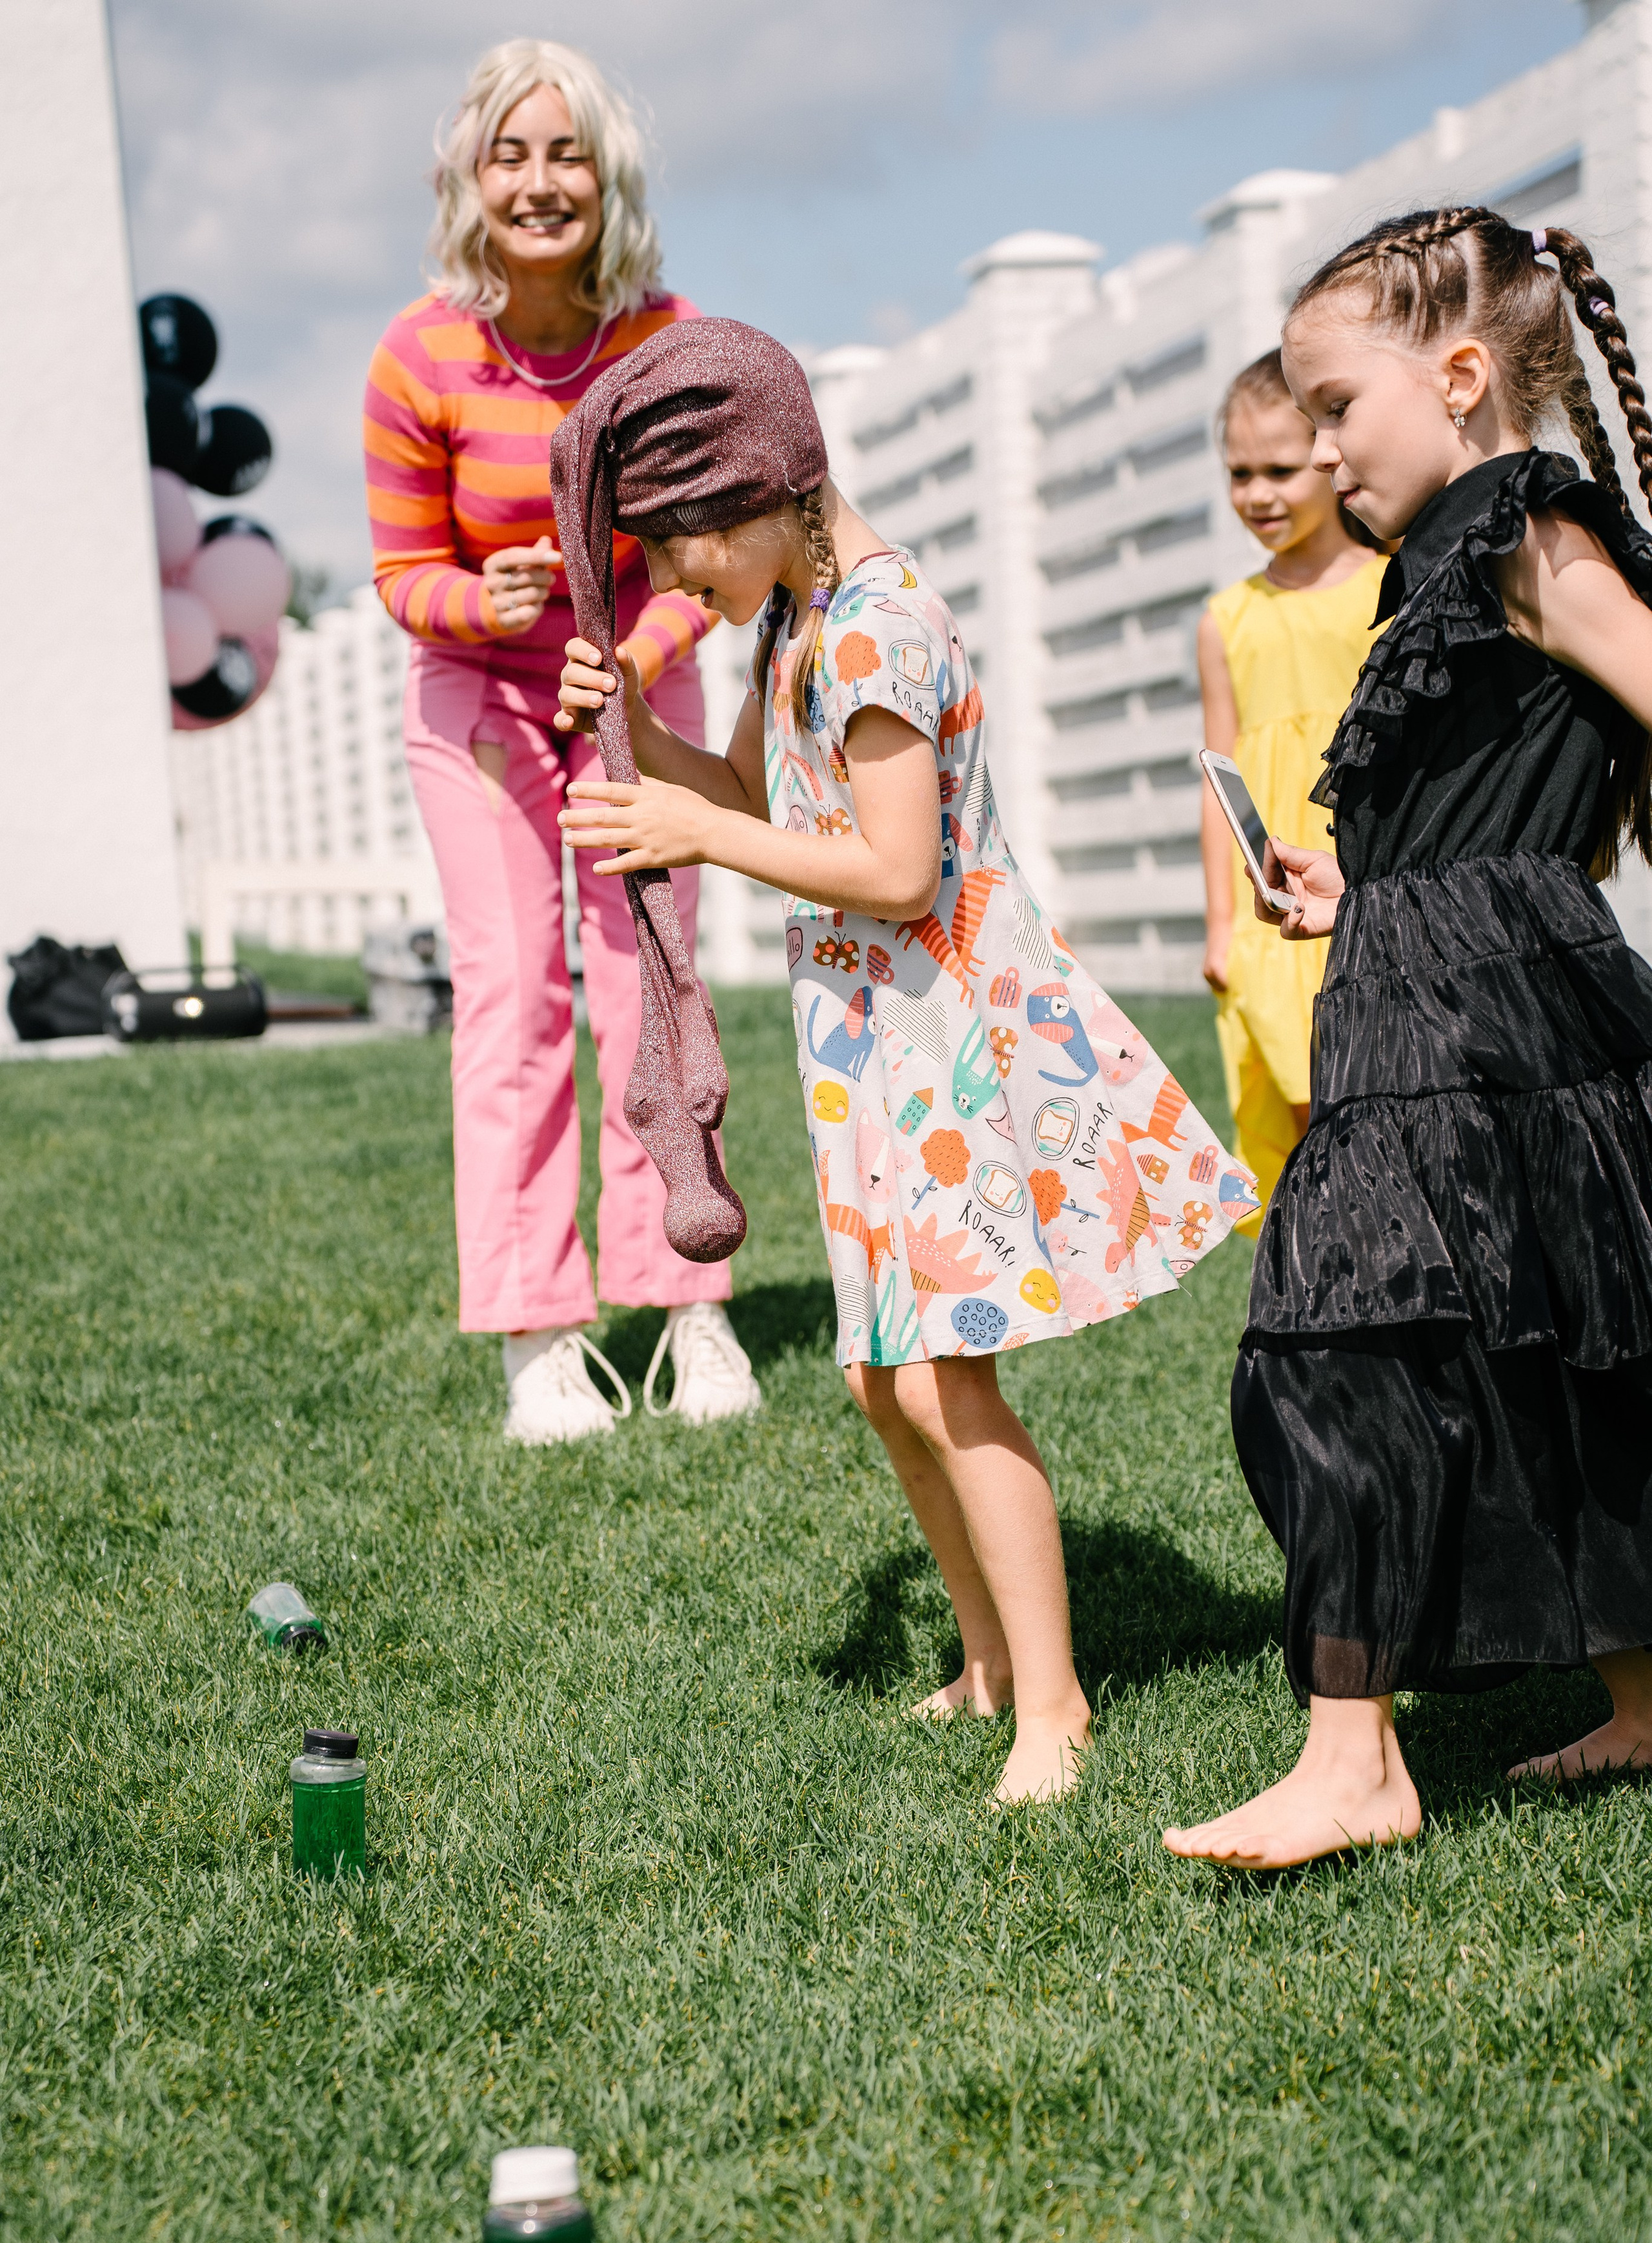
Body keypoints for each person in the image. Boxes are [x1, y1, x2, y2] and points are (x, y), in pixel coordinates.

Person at [546, 320, 1256, 1802]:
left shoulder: (875, 627)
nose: (678, 580)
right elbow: (755, 789)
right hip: (871, 1049)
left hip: (949, 1047)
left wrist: (693, 835)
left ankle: (1052, 1704)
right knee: (885, 1383)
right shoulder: (793, 624)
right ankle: (989, 1654)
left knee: (947, 1381)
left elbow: (887, 866)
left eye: (684, 544)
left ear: (770, 484)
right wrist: (638, 739)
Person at [1163, 207, 1652, 1869]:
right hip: (1448, 976)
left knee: (1331, 1339)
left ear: (1455, 378)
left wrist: (1463, 894)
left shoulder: (1525, 533)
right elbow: (1497, 781)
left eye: (1331, 406)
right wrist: (1353, 880)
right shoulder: (1444, 560)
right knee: (1555, 1352)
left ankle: (1355, 1758)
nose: (1311, 447)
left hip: (1477, 1011)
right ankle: (1642, 1699)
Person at [363, 39, 761, 1444]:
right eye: (511, 153)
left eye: (567, 152)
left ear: (609, 175)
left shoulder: (668, 343)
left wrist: (631, 661)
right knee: (513, 1005)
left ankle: (690, 1310)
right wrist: (490, 598)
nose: (540, 182)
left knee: (649, 991)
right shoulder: (417, 358)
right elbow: (401, 573)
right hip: (475, 708)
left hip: (632, 694)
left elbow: (704, 558)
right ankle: (538, 1333)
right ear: (469, 179)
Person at [1198, 351, 1385, 1223]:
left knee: (1378, 1093)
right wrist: (1223, 924)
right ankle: (1331, 1270)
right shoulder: (1227, 617)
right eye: (1240, 473)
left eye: (1280, 468)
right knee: (1309, 1113)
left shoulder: (1392, 582)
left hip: (1363, 883)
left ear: (1329, 454)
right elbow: (1218, 771)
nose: (1259, 494)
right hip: (1275, 914)